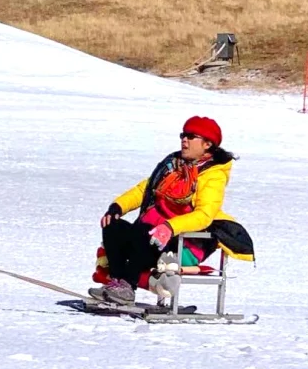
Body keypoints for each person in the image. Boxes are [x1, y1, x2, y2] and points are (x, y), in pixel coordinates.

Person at [91, 116, 253, 305]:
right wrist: (117, 207)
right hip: (153, 234)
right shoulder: (173, 166)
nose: (184, 140)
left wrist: (169, 226)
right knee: (114, 226)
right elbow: (145, 189)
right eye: (183, 135)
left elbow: (204, 215)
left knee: (146, 232)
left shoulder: (213, 176)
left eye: (191, 136)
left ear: (207, 144)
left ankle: (126, 286)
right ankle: (117, 284)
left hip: (184, 243)